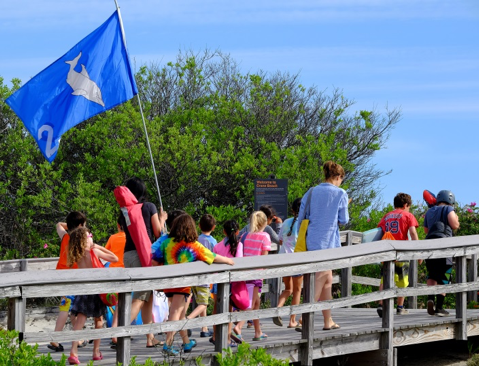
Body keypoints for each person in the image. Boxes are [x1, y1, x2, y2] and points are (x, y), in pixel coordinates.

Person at [151, 214, 234, 356]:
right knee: (175, 313)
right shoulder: (193, 245)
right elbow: (212, 257)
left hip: (168, 284)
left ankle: (186, 341)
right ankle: (168, 344)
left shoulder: (166, 243)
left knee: (180, 312)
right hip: (182, 285)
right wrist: (228, 261)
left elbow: (154, 261)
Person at [296, 161, 349, 331]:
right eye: (341, 178)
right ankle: (305, 316)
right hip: (328, 242)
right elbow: (344, 220)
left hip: (311, 240)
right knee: (321, 277)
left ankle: (328, 321)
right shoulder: (341, 194)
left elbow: (301, 217)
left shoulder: (311, 192)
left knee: (327, 281)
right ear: (337, 177)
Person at [118, 177, 167, 347]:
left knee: (148, 296)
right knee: (140, 297)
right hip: (142, 257)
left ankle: (150, 337)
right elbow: (158, 232)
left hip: (128, 255)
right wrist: (162, 218)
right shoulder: (149, 206)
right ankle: (118, 333)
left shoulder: (125, 211)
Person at [66, 227, 118, 365]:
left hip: (83, 289)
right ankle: (96, 351)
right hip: (96, 290)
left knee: (80, 321)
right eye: (88, 235)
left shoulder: (77, 254)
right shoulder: (93, 251)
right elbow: (115, 258)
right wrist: (99, 246)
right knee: (98, 321)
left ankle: (73, 351)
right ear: (85, 239)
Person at [376, 193, 419, 318]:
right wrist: (418, 251)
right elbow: (413, 232)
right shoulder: (408, 215)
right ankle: (400, 307)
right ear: (406, 205)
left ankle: (381, 304)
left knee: (385, 279)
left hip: (387, 253)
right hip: (401, 253)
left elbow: (379, 232)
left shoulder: (387, 216)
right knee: (402, 280)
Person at [48, 211, 86, 353]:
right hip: (74, 277)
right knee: (67, 308)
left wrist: (70, 226)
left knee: (73, 308)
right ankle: (55, 338)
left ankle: (78, 338)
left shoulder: (65, 236)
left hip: (61, 276)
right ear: (80, 225)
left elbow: (58, 225)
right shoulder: (82, 240)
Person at [233, 211, 271, 341]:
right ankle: (239, 326)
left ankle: (258, 332)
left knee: (256, 304)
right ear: (265, 223)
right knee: (252, 303)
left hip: (246, 272)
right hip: (257, 274)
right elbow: (264, 258)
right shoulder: (265, 236)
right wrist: (263, 273)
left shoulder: (246, 235)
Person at [424, 190, 460, 317]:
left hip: (430, 246)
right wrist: (457, 220)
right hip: (445, 246)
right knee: (444, 276)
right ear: (450, 200)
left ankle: (430, 299)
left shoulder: (429, 211)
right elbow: (454, 225)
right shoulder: (449, 208)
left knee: (432, 274)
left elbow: (426, 230)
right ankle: (439, 307)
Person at [210, 220, 244, 346]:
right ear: (238, 231)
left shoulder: (217, 246)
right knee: (228, 311)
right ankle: (228, 338)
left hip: (218, 281)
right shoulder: (239, 245)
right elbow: (238, 262)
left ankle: (214, 336)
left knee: (215, 309)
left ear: (224, 231)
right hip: (231, 282)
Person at [272, 197, 303, 328]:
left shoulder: (285, 222)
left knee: (288, 289)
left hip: (284, 259)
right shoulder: (303, 224)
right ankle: (292, 320)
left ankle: (278, 309)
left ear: (292, 210)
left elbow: (279, 240)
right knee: (297, 291)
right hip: (296, 259)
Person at [188, 214, 217, 338]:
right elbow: (214, 257)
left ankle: (204, 328)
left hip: (194, 274)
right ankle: (187, 320)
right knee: (204, 303)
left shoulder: (195, 239)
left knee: (200, 301)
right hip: (205, 276)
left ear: (199, 226)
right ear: (214, 227)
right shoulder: (213, 241)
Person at [104, 216, 126, 348]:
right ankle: (117, 332)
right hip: (126, 272)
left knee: (116, 303)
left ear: (118, 225)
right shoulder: (130, 238)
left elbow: (106, 254)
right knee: (123, 304)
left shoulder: (113, 237)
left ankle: (114, 330)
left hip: (113, 273)